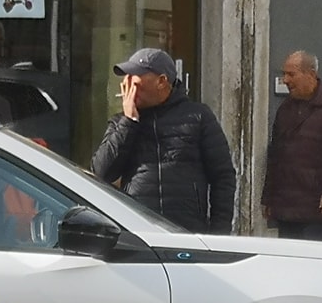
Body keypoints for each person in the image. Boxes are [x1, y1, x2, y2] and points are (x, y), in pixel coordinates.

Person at [91, 48, 237, 234]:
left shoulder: (198, 116)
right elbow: (101, 172)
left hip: (186, 229)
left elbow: (223, 177)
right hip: (138, 229)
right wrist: (129, 122)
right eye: (125, 78)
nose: (127, 85)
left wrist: (219, 234)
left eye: (134, 79)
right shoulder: (121, 122)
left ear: (161, 81)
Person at [261, 51, 322, 241]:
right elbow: (275, 156)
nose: (285, 80)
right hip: (286, 209)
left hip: (318, 212)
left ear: (311, 74)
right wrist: (268, 198)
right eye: (284, 74)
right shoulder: (285, 109)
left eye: (291, 74)